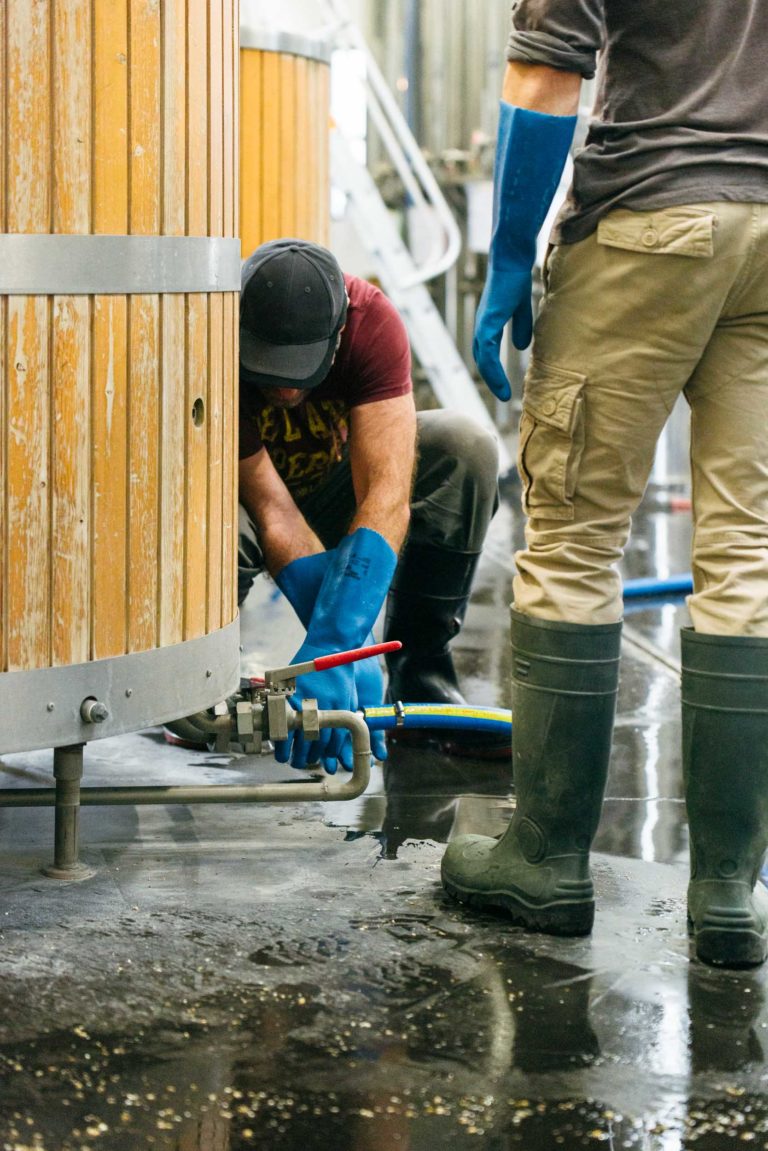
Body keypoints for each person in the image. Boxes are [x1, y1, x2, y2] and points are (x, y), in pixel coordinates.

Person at [441, 0, 768, 969]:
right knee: (745, 554)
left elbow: (546, 77)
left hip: (647, 229)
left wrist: (505, 261)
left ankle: (545, 857)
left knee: (577, 542)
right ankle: (727, 892)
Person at [236, 237, 505, 772]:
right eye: (271, 367)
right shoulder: (215, 332)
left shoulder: (370, 321)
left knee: (464, 445)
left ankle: (421, 675)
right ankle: (206, 694)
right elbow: (274, 512)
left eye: (301, 368)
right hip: (245, 507)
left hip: (341, 495)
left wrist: (340, 647)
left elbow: (384, 496)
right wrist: (335, 656)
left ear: (338, 332)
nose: (286, 390)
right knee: (203, 529)